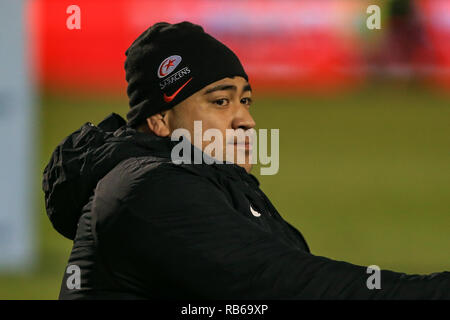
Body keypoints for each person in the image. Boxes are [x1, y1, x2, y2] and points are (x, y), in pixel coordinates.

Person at [43, 21, 450, 300]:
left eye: (246, 100)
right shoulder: (146, 190)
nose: (246, 120)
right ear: (159, 120)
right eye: (221, 101)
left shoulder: (218, 186)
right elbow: (289, 287)